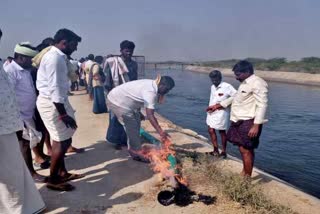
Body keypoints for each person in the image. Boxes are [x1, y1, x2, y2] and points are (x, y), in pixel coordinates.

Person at [0, 28, 46, 214]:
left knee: (14, 169)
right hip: (6, 125)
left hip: (12, 123)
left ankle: (24, 207)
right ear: (20, 57)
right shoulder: (10, 69)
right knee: (10, 172)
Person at [36, 28, 84, 191]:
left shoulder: (58, 57)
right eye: (74, 44)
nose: (76, 48)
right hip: (53, 104)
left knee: (64, 138)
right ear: (64, 42)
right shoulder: (55, 58)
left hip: (56, 102)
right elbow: (55, 89)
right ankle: (54, 179)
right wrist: (63, 114)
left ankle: (62, 172)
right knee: (62, 141)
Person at [4, 42, 49, 182]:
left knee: (32, 141)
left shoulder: (26, 70)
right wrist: (18, 118)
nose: (32, 62)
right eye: (30, 59)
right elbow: (9, 95)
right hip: (19, 115)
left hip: (29, 113)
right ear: (22, 58)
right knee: (24, 144)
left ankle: (34, 163)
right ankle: (31, 174)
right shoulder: (11, 71)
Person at [215, 60, 268, 176]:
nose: (236, 77)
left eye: (238, 74)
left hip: (248, 122)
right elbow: (237, 98)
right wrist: (220, 105)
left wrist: (256, 125)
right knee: (244, 149)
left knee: (246, 150)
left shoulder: (258, 83)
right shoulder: (245, 83)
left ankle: (246, 178)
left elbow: (262, 104)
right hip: (238, 121)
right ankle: (245, 172)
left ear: (247, 71)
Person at [106, 76, 175, 162]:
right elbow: (150, 115)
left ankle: (132, 144)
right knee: (132, 126)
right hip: (117, 101)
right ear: (162, 85)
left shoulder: (153, 84)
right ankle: (135, 153)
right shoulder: (151, 92)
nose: (167, 92)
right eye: (167, 89)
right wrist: (161, 132)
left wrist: (139, 112)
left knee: (137, 121)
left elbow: (136, 97)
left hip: (122, 99)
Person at [104, 40, 138, 150]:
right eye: (127, 50)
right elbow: (108, 80)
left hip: (129, 95)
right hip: (115, 95)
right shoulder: (113, 63)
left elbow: (135, 80)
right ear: (121, 50)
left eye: (131, 51)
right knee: (115, 119)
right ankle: (116, 141)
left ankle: (124, 140)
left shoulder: (134, 64)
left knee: (128, 118)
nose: (129, 53)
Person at [206, 70, 236, 158]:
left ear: (220, 78)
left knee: (222, 131)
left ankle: (223, 151)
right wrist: (210, 107)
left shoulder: (227, 86)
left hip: (222, 112)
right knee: (210, 130)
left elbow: (236, 96)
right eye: (212, 79)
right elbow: (212, 98)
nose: (214, 81)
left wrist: (223, 104)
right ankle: (215, 150)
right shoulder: (212, 87)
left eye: (216, 79)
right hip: (211, 112)